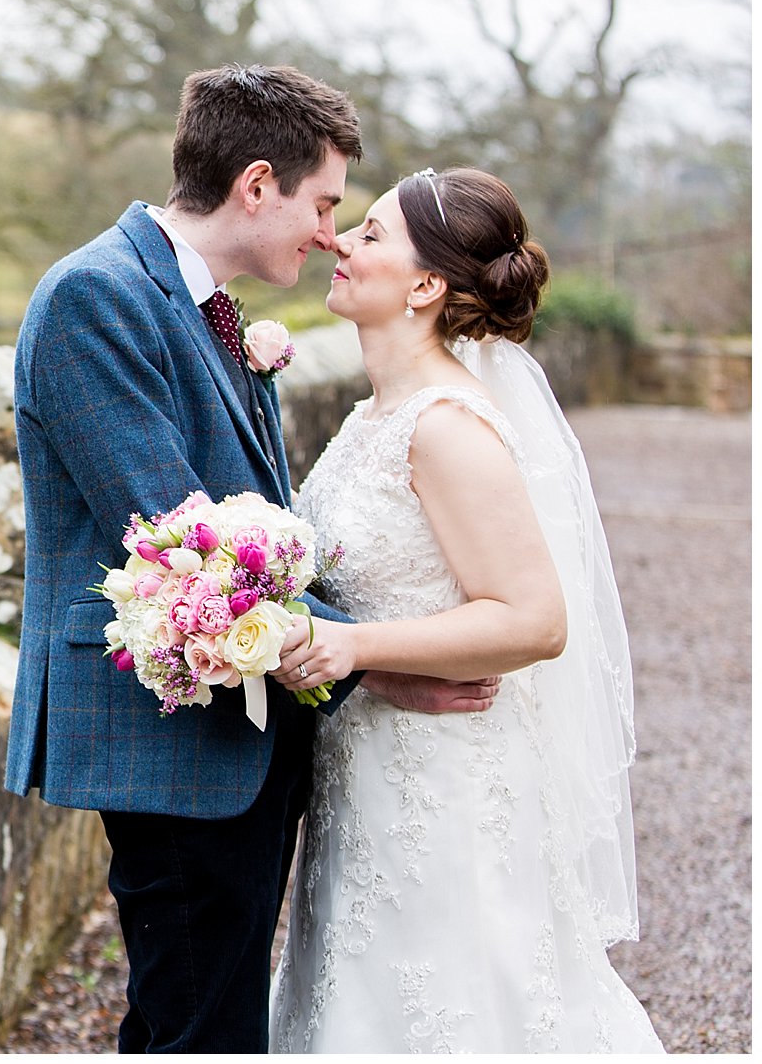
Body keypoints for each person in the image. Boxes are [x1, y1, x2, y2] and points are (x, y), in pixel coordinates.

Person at [2, 65, 496, 1054]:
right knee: (203, 1029)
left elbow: (253, 532)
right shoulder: (95, 297)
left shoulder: (203, 305)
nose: (326, 232)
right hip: (167, 743)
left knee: (202, 1019)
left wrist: (365, 657)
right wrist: (378, 660)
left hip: (238, 731)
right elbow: (188, 553)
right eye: (322, 203)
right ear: (256, 184)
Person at [269, 166, 660, 1052]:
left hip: (443, 783)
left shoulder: (445, 425)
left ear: (425, 286)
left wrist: (355, 645)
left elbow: (534, 619)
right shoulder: (375, 416)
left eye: (371, 234)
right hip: (364, 773)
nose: (340, 241)